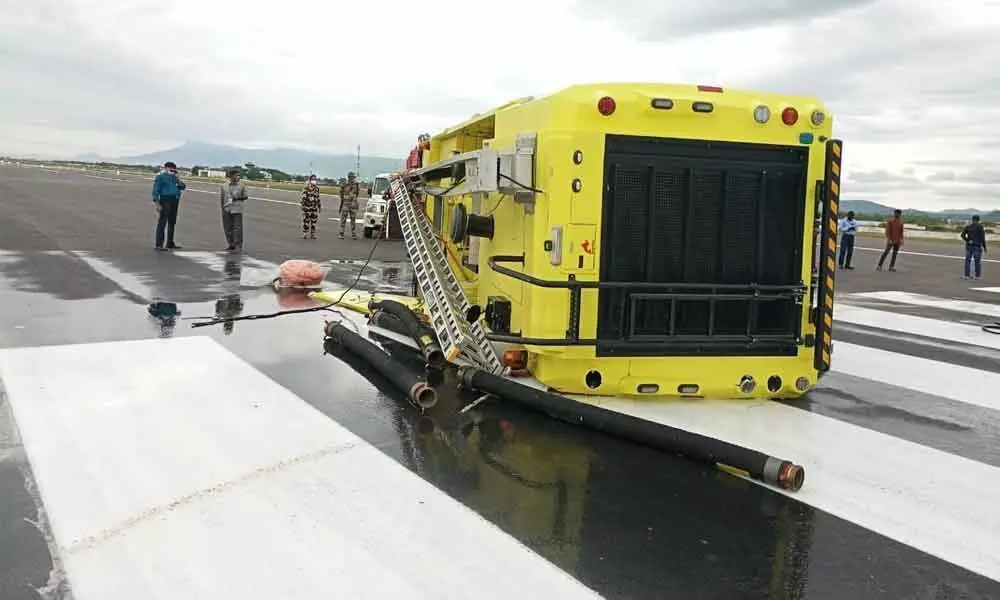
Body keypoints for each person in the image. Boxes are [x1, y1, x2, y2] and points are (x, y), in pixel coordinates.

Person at [151, 161, 187, 251]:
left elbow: (182, 186)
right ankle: (159, 244)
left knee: (172, 222)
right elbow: (156, 190)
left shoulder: (175, 178)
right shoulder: (161, 177)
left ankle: (170, 242)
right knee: (163, 222)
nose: (173, 171)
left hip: (175, 200)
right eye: (171, 169)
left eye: (174, 170)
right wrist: (157, 203)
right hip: (165, 199)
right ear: (166, 168)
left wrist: (178, 179)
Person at [219, 168, 248, 252]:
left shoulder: (242, 186)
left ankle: (238, 245)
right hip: (227, 208)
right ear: (231, 176)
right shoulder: (224, 186)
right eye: (236, 175)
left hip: (237, 208)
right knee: (227, 228)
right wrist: (222, 208)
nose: (238, 177)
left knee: (238, 228)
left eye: (239, 175)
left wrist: (236, 198)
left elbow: (246, 196)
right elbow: (222, 197)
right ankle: (231, 244)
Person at [961, 215, 988, 280]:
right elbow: (982, 238)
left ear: (972, 220)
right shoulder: (980, 227)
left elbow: (962, 235)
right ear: (978, 220)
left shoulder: (968, 226)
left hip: (969, 245)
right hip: (977, 246)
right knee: (977, 261)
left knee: (968, 261)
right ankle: (977, 276)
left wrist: (967, 240)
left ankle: (967, 275)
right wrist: (984, 247)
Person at [339, 172, 360, 240]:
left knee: (353, 220)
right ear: (348, 177)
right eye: (350, 177)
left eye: (352, 177)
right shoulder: (344, 185)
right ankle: (341, 233)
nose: (352, 178)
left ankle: (353, 234)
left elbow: (357, 194)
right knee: (343, 220)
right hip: (346, 204)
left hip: (353, 205)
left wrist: (354, 201)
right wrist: (341, 205)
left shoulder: (356, 185)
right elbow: (341, 195)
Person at [300, 175, 322, 239]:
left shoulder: (317, 188)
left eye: (315, 179)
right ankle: (305, 233)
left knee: (314, 221)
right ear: (310, 180)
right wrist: (303, 207)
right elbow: (303, 198)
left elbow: (318, 198)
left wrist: (319, 206)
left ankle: (313, 234)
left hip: (314, 208)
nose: (314, 181)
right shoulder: (306, 188)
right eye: (313, 179)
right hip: (307, 207)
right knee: (306, 221)